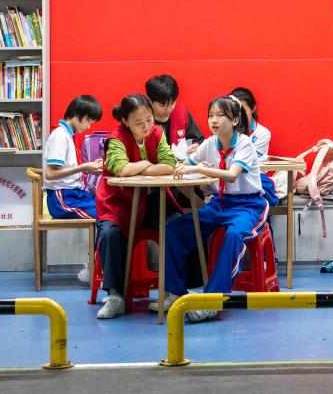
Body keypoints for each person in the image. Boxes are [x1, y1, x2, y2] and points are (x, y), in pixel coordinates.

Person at [159, 96, 267, 322]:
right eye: (210, 116)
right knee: (173, 230)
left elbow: (231, 175)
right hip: (219, 203)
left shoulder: (244, 144)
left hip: (248, 206)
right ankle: (174, 293)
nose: (213, 121)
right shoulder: (210, 143)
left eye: (220, 115)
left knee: (234, 235)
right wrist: (183, 164)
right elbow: (187, 164)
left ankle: (212, 301)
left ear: (235, 120)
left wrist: (200, 169)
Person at [93, 94, 178, 319]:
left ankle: (174, 291)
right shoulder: (116, 138)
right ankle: (115, 296)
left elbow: (169, 164)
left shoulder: (157, 133)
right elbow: (121, 169)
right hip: (117, 203)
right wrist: (148, 163)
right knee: (109, 234)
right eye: (138, 122)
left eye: (149, 119)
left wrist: (140, 167)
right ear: (125, 121)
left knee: (177, 226)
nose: (146, 126)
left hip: (150, 203)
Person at [42, 94, 104, 220]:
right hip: (62, 198)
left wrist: (88, 169)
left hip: (73, 194)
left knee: (107, 206)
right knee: (104, 214)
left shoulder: (68, 136)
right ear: (77, 113)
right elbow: (50, 174)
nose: (88, 126)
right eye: (89, 121)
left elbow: (67, 169)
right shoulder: (60, 136)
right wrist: (83, 167)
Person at [229, 87, 278, 208]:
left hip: (254, 178)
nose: (239, 116)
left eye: (242, 111)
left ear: (253, 108)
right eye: (235, 111)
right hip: (230, 179)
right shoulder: (224, 130)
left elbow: (246, 162)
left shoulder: (262, 133)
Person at [145, 74, 205, 150]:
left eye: (172, 103)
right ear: (150, 101)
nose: (169, 108)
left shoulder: (182, 114)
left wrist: (196, 145)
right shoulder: (142, 119)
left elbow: (198, 140)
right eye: (162, 105)